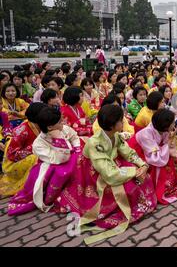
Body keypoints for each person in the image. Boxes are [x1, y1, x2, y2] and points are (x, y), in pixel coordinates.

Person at [53, 104, 156, 245]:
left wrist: (142, 165)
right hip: (94, 175)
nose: (124, 120)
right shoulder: (95, 143)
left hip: (111, 166)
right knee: (127, 189)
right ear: (113, 125)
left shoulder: (115, 135)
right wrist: (134, 172)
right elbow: (109, 174)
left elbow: (128, 152)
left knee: (145, 178)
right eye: (121, 119)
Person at [8, 107, 81, 216]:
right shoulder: (38, 143)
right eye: (60, 121)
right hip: (52, 165)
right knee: (61, 174)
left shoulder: (63, 128)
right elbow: (57, 159)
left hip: (68, 157)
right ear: (50, 126)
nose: (63, 123)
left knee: (84, 159)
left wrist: (77, 148)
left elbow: (74, 136)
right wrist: (61, 142)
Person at [128, 108, 177, 205]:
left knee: (167, 158)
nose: (174, 124)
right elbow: (155, 158)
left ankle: (166, 183)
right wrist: (170, 141)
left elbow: (165, 147)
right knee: (159, 165)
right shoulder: (146, 134)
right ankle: (159, 187)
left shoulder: (164, 130)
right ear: (165, 125)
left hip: (151, 152)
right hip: (137, 154)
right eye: (172, 122)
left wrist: (173, 149)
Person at [0, 103, 45, 196]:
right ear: (37, 116)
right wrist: (35, 147)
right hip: (13, 163)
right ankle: (31, 186)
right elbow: (12, 155)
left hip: (29, 155)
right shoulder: (22, 130)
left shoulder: (42, 125)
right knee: (36, 158)